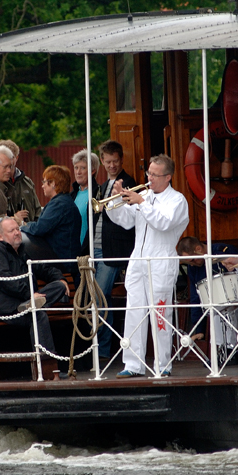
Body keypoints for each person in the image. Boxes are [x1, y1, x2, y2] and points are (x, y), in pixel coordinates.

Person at [106, 154, 189, 378]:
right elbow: (124, 221)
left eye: (155, 174)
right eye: (149, 173)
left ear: (168, 177)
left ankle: (163, 364)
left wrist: (141, 203)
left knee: (160, 313)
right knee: (134, 312)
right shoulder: (144, 195)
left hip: (161, 260)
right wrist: (115, 200)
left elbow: (163, 223)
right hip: (138, 260)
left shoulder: (177, 200)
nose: (149, 178)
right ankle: (133, 364)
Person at [0, 217, 70, 380]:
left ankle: (30, 305)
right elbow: (5, 281)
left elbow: (43, 269)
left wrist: (60, 279)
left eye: (17, 229)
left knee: (58, 287)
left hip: (21, 302)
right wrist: (29, 295)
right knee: (38, 315)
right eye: (11, 230)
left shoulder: (21, 253)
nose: (17, 233)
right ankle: (48, 370)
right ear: (0, 236)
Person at [90, 140, 137, 359]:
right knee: (99, 299)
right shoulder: (102, 185)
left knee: (100, 297)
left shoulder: (128, 183)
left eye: (115, 161)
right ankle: (101, 348)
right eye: (108, 161)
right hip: (98, 247)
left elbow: (128, 219)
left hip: (113, 249)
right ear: (102, 161)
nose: (112, 165)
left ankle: (102, 351)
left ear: (121, 159)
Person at [175, 237, 238, 358]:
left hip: (237, 295)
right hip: (214, 304)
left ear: (198, 249)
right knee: (214, 309)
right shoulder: (193, 268)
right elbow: (195, 297)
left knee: (223, 306)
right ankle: (220, 352)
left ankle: (230, 350)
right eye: (189, 263)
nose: (192, 264)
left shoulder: (223, 251)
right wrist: (199, 328)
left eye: (193, 260)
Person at [19, 165, 82, 265]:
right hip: (66, 259)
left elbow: (39, 228)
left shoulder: (58, 204)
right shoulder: (64, 201)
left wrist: (22, 226)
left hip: (62, 262)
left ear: (53, 183)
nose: (42, 186)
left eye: (44, 182)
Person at [0, 139, 42, 223]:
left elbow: (37, 210)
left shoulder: (27, 182)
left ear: (16, 158)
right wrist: (14, 218)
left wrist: (34, 227)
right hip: (6, 229)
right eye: (5, 157)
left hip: (29, 229)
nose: (8, 161)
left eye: (11, 157)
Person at [71, 149, 99, 248]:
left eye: (83, 168)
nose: (78, 172)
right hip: (73, 250)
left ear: (93, 170)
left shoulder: (98, 194)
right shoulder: (71, 195)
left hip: (90, 250)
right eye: (76, 168)